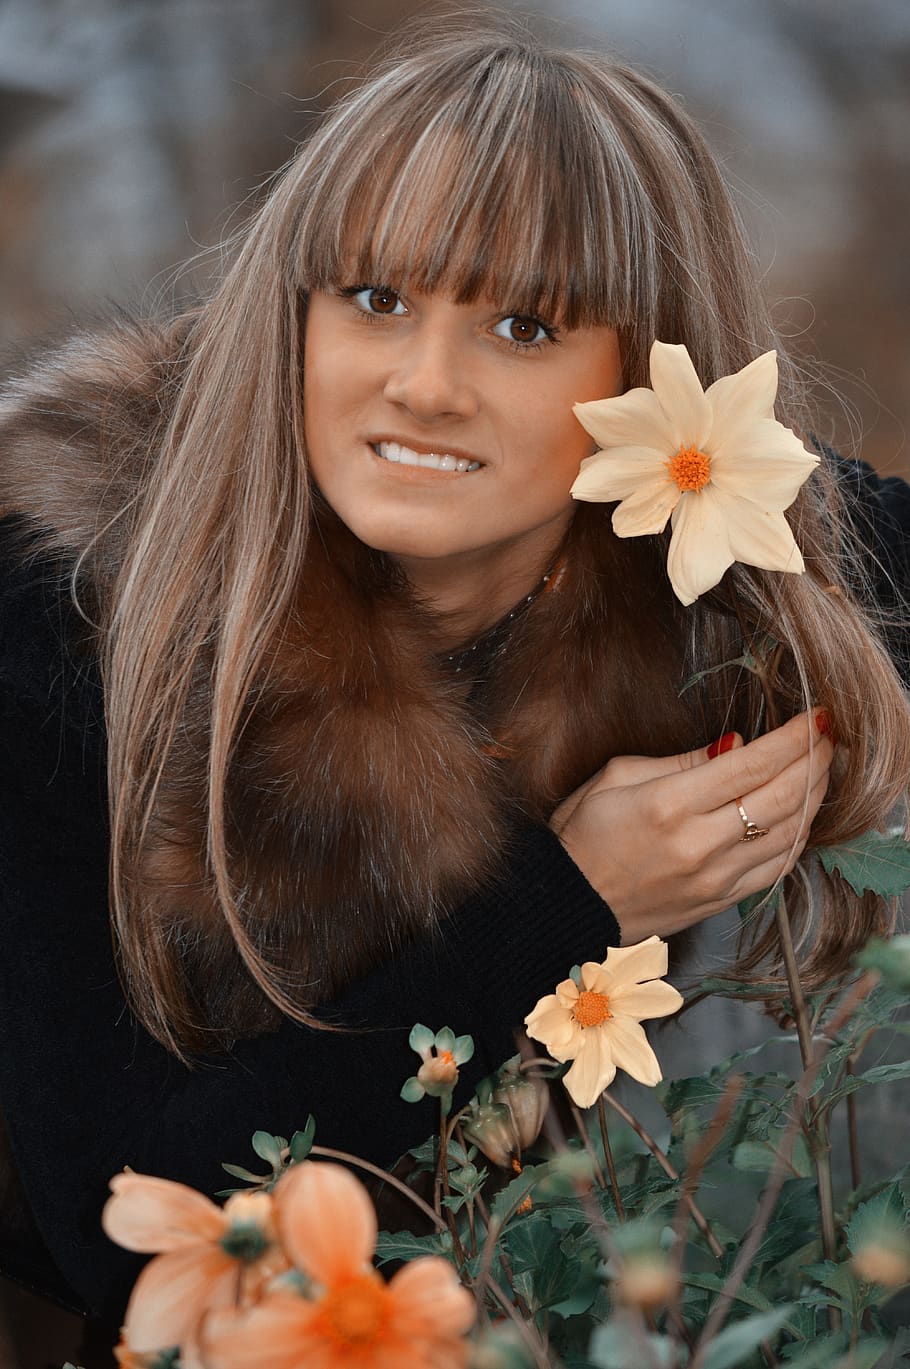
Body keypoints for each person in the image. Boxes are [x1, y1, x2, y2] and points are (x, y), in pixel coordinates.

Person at [0, 15, 908, 1349]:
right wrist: (571, 901)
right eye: (374, 300)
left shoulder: (696, 519)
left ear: (646, 378)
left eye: (524, 324)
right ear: (293, 315)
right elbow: (133, 1220)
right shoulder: (69, 589)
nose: (423, 385)